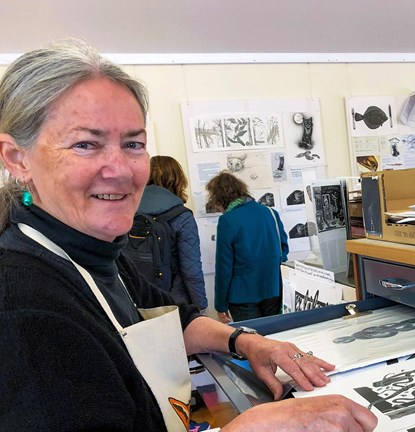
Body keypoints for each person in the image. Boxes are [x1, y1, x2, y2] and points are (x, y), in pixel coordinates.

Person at [0, 38, 376, 432]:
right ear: (16, 157)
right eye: (85, 144)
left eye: (133, 144)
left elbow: (176, 322)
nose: (121, 169)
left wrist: (248, 343)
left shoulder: (96, 253)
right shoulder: (21, 306)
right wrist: (252, 426)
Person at [206, 172, 289, 323]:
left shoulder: (227, 221)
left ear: (220, 198)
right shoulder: (270, 212)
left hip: (242, 294)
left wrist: (220, 304)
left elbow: (224, 267)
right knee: (275, 337)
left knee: (252, 341)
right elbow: (283, 248)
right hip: (273, 288)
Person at [137, 155, 207, 311]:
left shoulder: (129, 212)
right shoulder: (181, 216)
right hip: (176, 301)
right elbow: (191, 269)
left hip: (140, 299)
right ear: (177, 179)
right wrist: (201, 306)